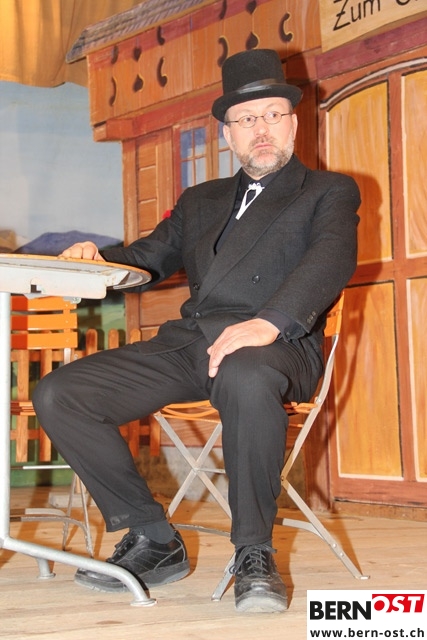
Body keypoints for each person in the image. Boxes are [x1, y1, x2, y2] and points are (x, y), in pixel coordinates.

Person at [33, 48, 360, 614]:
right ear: (228, 134)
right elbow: (146, 258)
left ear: (293, 122)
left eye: (273, 114)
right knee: (61, 392)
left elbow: (329, 260)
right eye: (246, 119)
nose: (261, 128)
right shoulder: (200, 200)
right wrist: (96, 261)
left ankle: (254, 553)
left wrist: (268, 321)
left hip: (280, 344)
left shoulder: (328, 191)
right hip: (192, 344)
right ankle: (154, 538)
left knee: (245, 372)